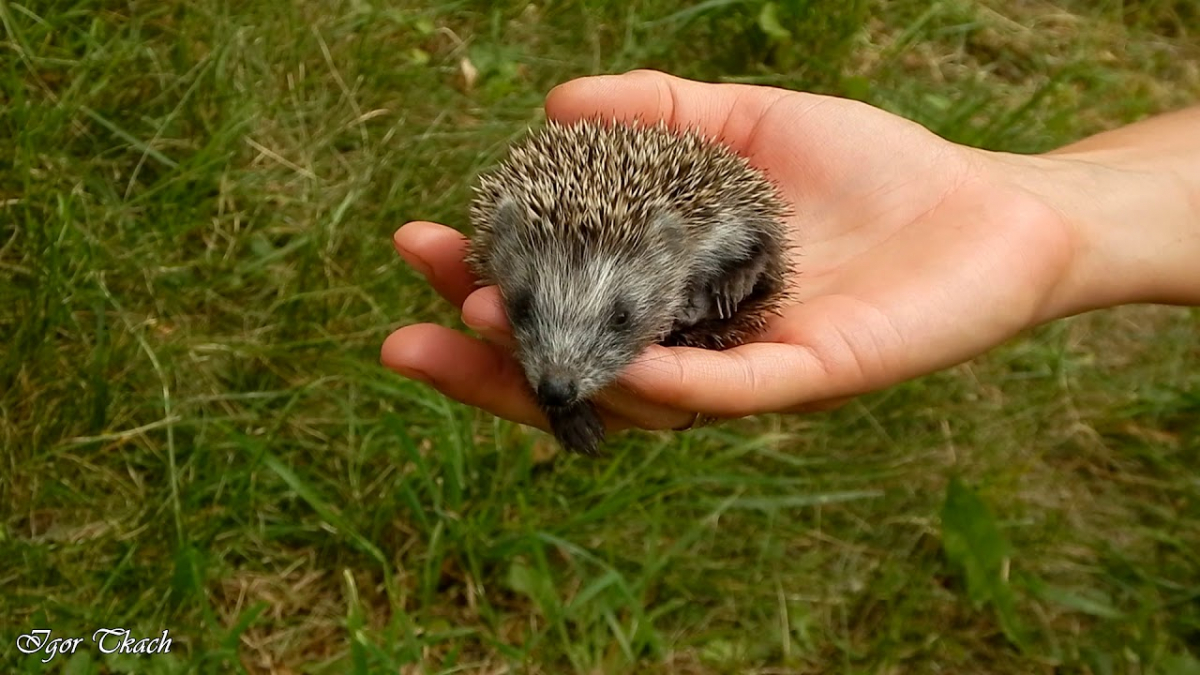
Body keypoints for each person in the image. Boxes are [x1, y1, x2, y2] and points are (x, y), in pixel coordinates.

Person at [380, 70, 1200, 434]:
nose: (556, 365)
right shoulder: (515, 233)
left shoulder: (709, 226)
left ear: (672, 248)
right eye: (526, 307)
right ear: (509, 246)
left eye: (621, 313)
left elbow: (749, 250)